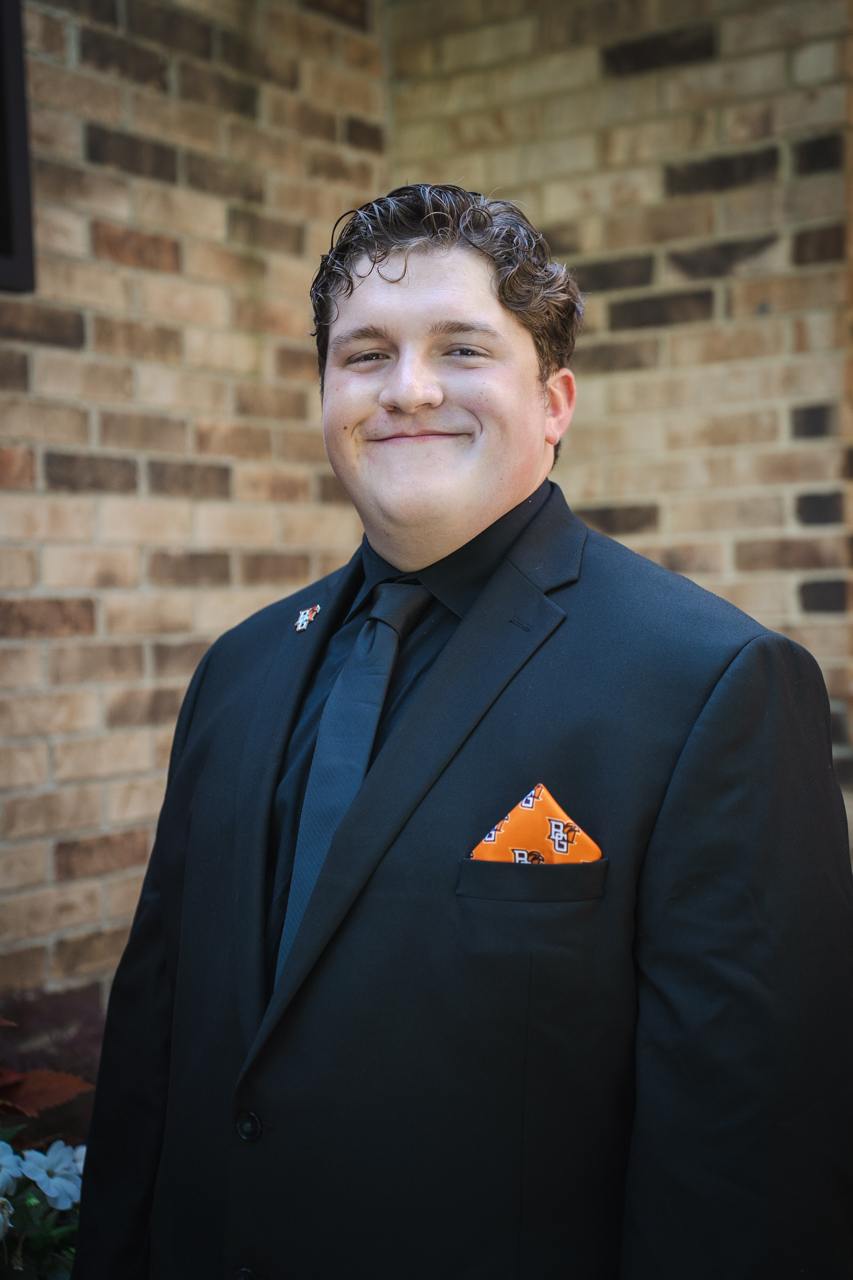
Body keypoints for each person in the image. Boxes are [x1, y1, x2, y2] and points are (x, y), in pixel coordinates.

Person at [72, 184, 853, 1279]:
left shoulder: (712, 683)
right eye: (365, 354)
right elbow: (151, 1055)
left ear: (554, 401)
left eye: (462, 348)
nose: (409, 388)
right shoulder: (236, 672)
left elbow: (749, 1168)